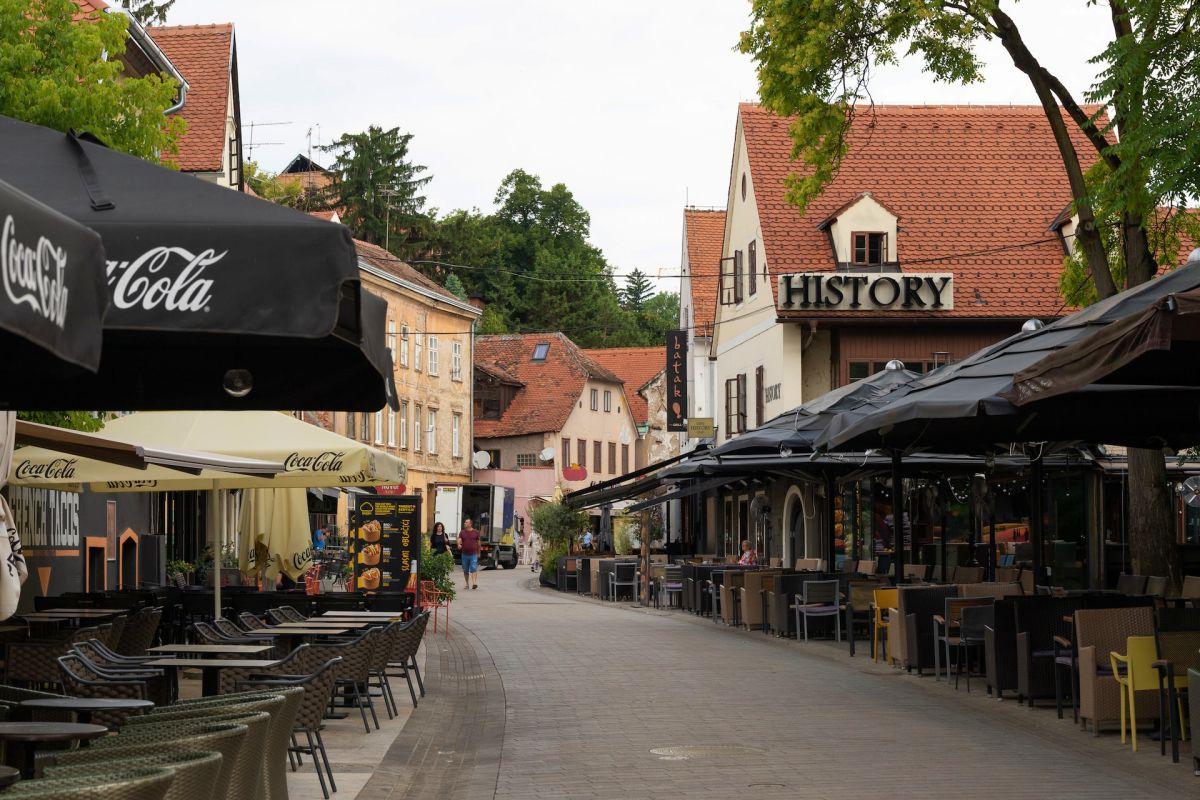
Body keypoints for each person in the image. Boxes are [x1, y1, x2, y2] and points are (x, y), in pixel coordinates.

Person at [459, 517, 481, 590]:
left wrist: (479, 552)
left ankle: (474, 583)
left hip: (473, 554)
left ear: (470, 524)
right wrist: (458, 544)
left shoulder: (476, 532)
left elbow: (478, 543)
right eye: (465, 522)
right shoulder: (462, 532)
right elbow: (459, 539)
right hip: (464, 554)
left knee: (474, 568)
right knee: (465, 570)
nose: (464, 523)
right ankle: (467, 584)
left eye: (466, 522)